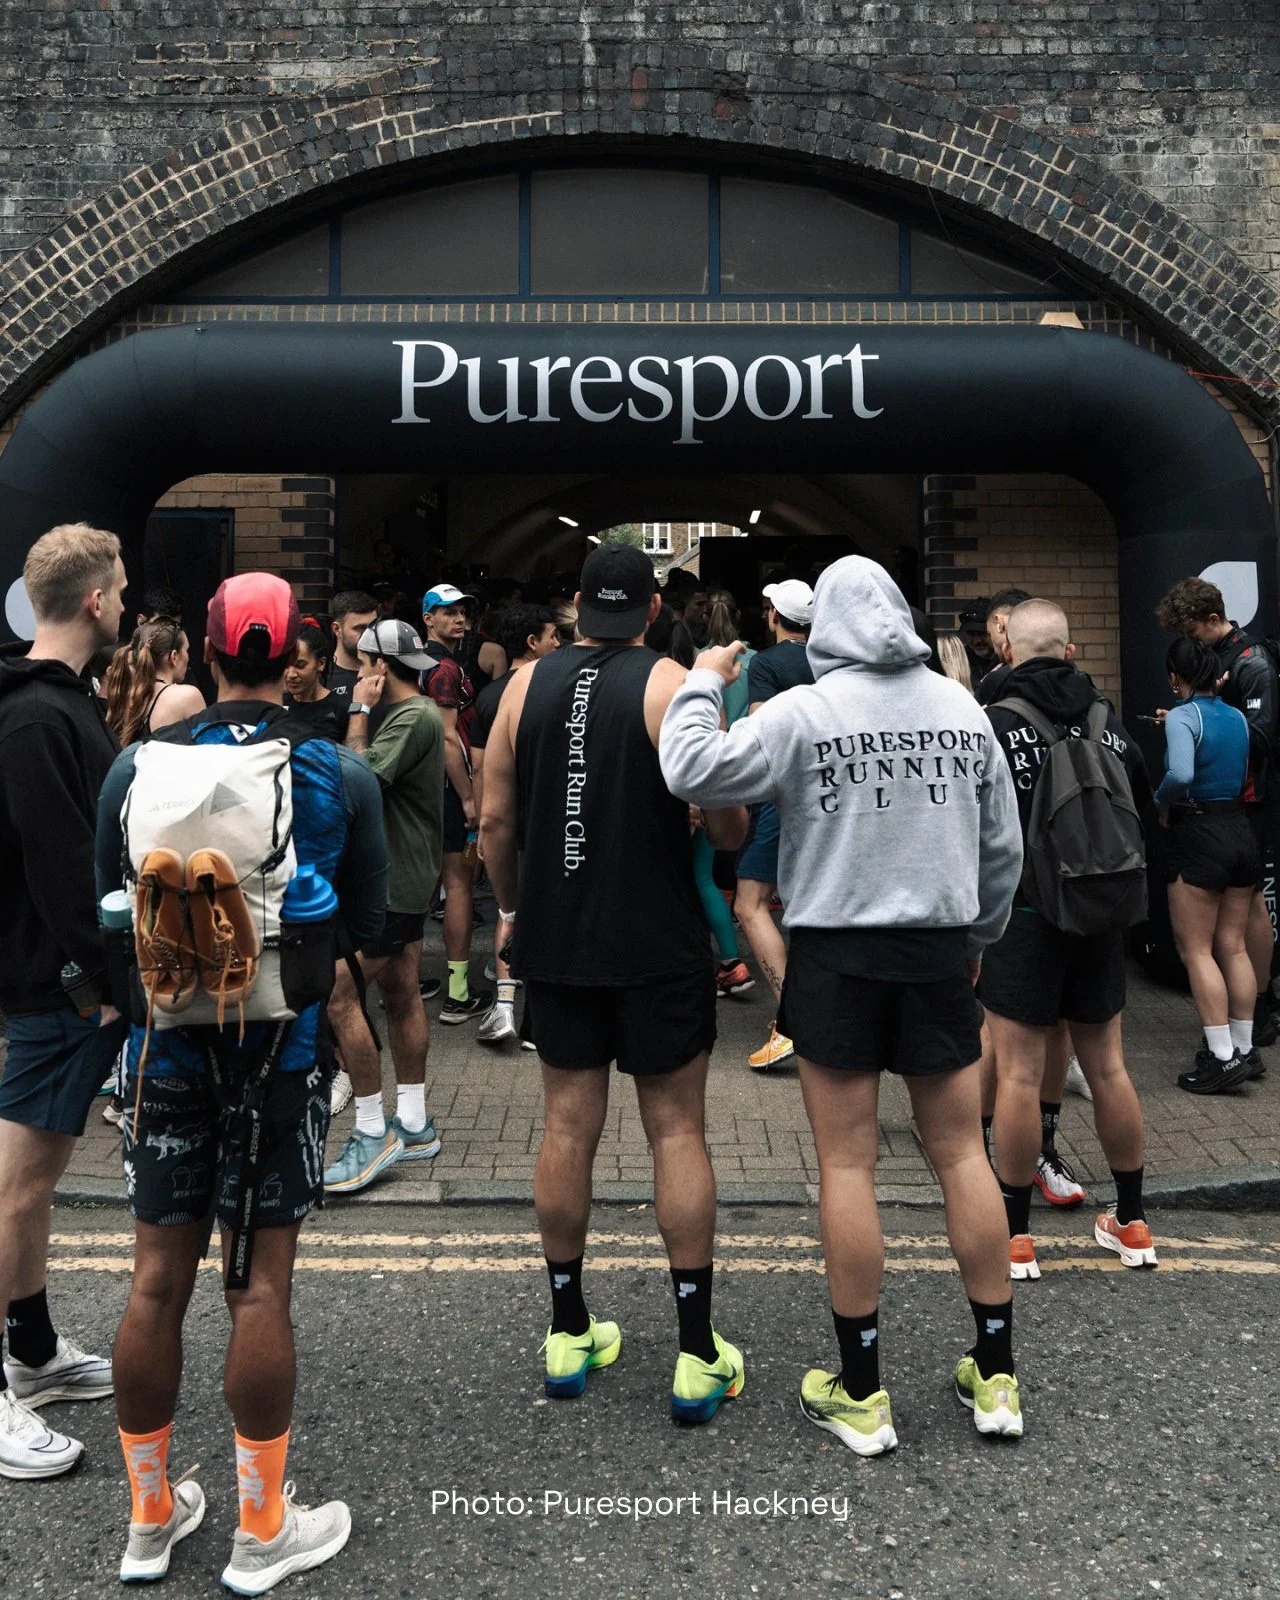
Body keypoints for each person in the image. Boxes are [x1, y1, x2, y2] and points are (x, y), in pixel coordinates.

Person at [661, 554, 1026, 1448]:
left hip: (835, 956)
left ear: (825, 626)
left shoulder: (803, 712)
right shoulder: (959, 708)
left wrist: (706, 682)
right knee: (961, 1158)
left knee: (850, 1167)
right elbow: (1001, 851)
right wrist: (975, 941)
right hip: (939, 953)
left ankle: (861, 1392)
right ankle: (997, 1379)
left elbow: (691, 769)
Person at [96, 572, 387, 1589]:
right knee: (259, 1285)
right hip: (282, 1054)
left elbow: (107, 902)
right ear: (294, 654)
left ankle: (148, 1519)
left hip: (168, 1046)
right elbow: (370, 914)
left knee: (153, 1282)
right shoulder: (335, 773)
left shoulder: (137, 766)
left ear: (212, 654)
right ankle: (261, 1529)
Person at [480, 543, 750, 1423]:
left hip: (558, 943)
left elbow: (493, 819)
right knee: (676, 1131)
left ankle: (568, 1332)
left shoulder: (526, 686)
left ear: (576, 605)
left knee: (566, 1125)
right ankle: (696, 1352)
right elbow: (728, 819)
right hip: (658, 943)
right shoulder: (673, 682)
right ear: (646, 611)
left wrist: (515, 909)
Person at [0, 523, 127, 1480]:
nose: (124, 604)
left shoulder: (59, 703)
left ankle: (34, 1351)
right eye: (119, 590)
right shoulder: (40, 718)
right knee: (14, 1189)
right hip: (54, 984)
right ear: (93, 601)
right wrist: (102, 982)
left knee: (30, 1187)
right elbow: (58, 866)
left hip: (60, 981)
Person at [980, 599, 1157, 1279]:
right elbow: (1140, 812)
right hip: (1099, 915)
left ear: (1011, 655)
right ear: (1071, 651)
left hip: (1023, 917)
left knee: (1019, 1073)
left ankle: (1018, 1238)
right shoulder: (1109, 723)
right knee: (1108, 1067)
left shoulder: (993, 724)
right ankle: (1134, 1223)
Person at [324, 620, 446, 1192]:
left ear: (376, 665)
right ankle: (416, 1125)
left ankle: (373, 1133)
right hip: (401, 876)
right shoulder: (413, 713)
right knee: (398, 994)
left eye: (362, 661)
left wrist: (355, 713)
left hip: (394, 882)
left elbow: (359, 780)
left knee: (339, 996)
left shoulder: (413, 716)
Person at [1157, 576, 1280, 1047]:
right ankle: (1243, 1034)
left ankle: (1259, 1011)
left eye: (1191, 633)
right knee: (1233, 931)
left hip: (1249, 801)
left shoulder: (1254, 664)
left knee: (1245, 917)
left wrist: (1205, 722)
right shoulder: (1221, 662)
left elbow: (1264, 735)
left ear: (1213, 620)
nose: (1188, 644)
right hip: (1228, 807)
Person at [1155, 636, 1261, 1091]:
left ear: (1174, 677)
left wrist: (1160, 802)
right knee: (1233, 945)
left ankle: (1221, 1058)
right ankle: (1244, 1047)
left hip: (1198, 835)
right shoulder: (1237, 715)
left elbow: (1180, 774)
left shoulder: (1182, 716)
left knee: (1195, 949)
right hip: (1239, 829)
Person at [469, 604, 558, 1045]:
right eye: (552, 636)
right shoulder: (554, 691)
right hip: (547, 821)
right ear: (532, 642)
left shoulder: (487, 697)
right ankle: (537, 1023)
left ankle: (503, 1006)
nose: (558, 644)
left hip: (502, 822)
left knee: (508, 910)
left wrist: (484, 830)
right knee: (546, 913)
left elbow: (480, 769)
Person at [737, 577, 816, 1070]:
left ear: (772, 614)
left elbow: (761, 727)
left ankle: (795, 1019)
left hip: (781, 794)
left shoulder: (766, 663)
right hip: (833, 795)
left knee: (750, 904)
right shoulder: (834, 660)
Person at [421, 581, 490, 1023]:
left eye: (463, 611)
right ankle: (458, 993)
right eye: (448, 612)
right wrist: (469, 796)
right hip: (447, 791)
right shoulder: (444, 669)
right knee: (459, 884)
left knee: (418, 888)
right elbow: (449, 737)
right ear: (428, 619)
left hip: (417, 790)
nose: (459, 618)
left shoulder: (410, 663)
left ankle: (400, 986)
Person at [104, 617, 205, 747]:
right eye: (186, 650)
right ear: (174, 657)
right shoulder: (186, 696)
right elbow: (206, 754)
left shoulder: (122, 695)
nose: (188, 657)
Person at [284, 619, 349, 744]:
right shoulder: (278, 705)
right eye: (286, 665)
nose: (291, 674)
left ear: (320, 664)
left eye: (300, 665)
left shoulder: (341, 708)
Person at [974, 588, 1031, 707]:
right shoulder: (1069, 673)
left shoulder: (997, 680)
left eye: (990, 634)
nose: (993, 646)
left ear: (999, 623)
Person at [326, 590, 379, 705]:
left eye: (373, 627)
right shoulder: (322, 677)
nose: (369, 634)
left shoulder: (385, 673)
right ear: (337, 629)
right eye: (360, 628)